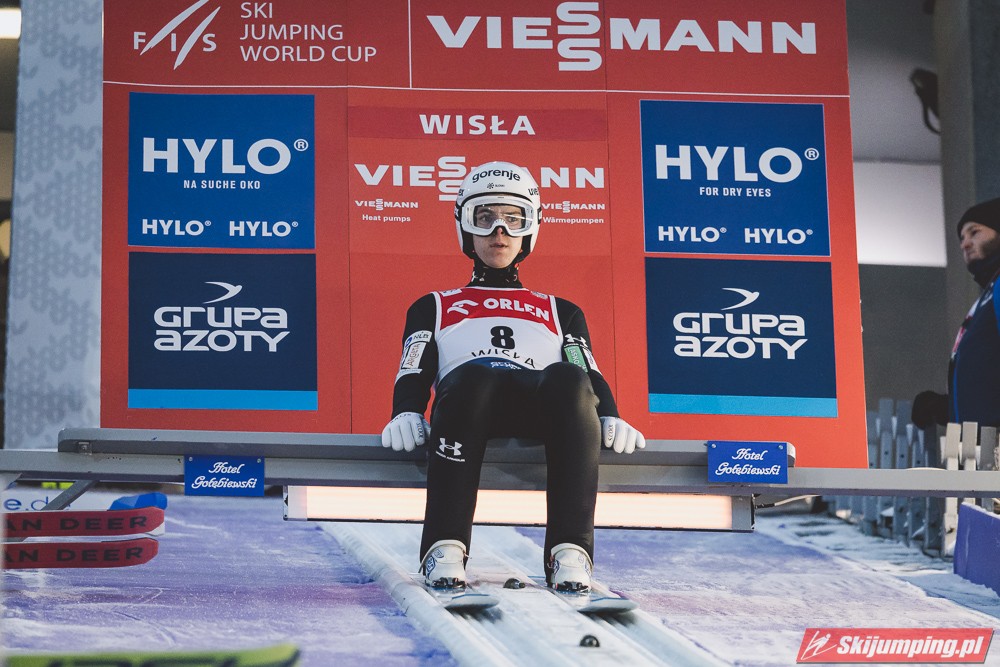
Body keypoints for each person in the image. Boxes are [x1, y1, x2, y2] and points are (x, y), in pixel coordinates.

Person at [381, 161, 645, 593]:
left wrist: (609, 412)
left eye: (513, 218)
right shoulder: (434, 304)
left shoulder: (561, 310)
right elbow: (414, 364)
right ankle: (445, 546)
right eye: (484, 217)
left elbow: (584, 366)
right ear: (464, 226)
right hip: (467, 404)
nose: (499, 231)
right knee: (474, 375)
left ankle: (569, 551)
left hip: (538, 404)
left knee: (567, 379)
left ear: (530, 228)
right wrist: (406, 409)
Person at [912, 197, 1000, 429]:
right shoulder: (987, 295)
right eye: (962, 238)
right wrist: (946, 408)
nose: (965, 244)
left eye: (975, 232)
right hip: (981, 443)